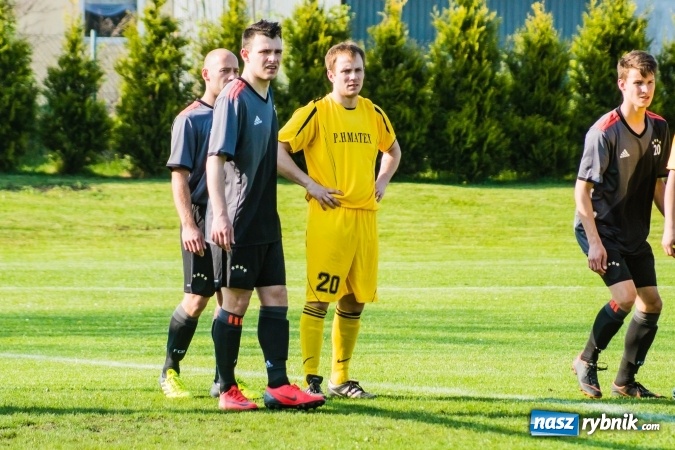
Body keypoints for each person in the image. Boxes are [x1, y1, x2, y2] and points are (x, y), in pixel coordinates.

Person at [206, 19, 325, 412]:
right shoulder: (234, 97)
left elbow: (273, 151)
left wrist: (307, 183)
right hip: (238, 220)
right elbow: (214, 159)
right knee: (236, 303)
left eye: (277, 52)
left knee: (276, 297)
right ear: (246, 55)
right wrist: (220, 216)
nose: (272, 59)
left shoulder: (267, 96)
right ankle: (227, 390)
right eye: (264, 52)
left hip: (265, 219)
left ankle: (278, 385)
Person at [277, 41, 401, 399]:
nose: (353, 77)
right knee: (319, 297)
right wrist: (309, 184)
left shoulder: (373, 112)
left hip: (365, 219)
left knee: (354, 300)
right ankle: (311, 378)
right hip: (330, 218)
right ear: (331, 74)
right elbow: (278, 149)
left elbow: (393, 150)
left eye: (358, 70)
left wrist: (382, 181)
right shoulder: (315, 112)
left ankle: (340, 379)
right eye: (346, 71)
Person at [572, 50, 673, 399]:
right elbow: (581, 192)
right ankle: (585, 359)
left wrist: (672, 223)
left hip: (633, 232)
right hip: (600, 228)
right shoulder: (604, 132)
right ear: (622, 84)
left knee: (652, 302)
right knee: (626, 296)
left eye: (650, 82)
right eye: (638, 83)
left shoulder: (660, 127)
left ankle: (625, 382)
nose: (645, 90)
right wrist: (595, 243)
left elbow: (658, 185)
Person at [161, 48, 258, 400]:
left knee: (228, 298)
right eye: (224, 71)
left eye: (235, 70)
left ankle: (224, 379)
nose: (232, 77)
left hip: (229, 219)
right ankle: (170, 371)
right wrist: (189, 225)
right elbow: (179, 177)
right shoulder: (190, 120)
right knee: (197, 298)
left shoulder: (239, 113)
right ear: (206, 74)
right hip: (202, 217)